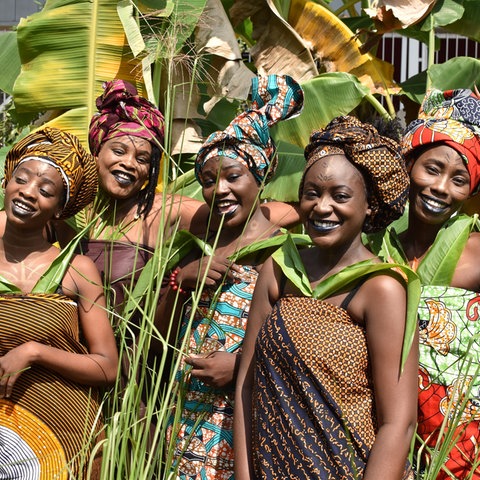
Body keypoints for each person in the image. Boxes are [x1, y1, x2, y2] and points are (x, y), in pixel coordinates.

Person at [234, 115, 419, 479]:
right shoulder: (279, 268)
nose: (321, 207)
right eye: (312, 193)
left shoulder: (380, 288)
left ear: (370, 205)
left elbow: (399, 424)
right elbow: (247, 384)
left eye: (340, 195)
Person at [164, 74, 304, 479]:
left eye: (233, 176)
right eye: (208, 181)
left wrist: (240, 363)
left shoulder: (283, 253)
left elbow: (298, 347)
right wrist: (180, 280)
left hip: (243, 417)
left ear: (261, 175)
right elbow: (159, 332)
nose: (219, 189)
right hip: (184, 418)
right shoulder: (199, 244)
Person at [369, 88, 480, 478]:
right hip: (377, 433)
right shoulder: (372, 245)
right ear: (408, 163)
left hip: (459, 451)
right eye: (432, 169)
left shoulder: (476, 251)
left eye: (459, 180)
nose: (441, 188)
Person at [0, 127, 118, 479]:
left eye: (46, 191)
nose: (28, 192)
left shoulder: (76, 270)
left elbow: (106, 367)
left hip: (65, 442)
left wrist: (36, 352)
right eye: (22, 179)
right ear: (7, 181)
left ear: (59, 209)